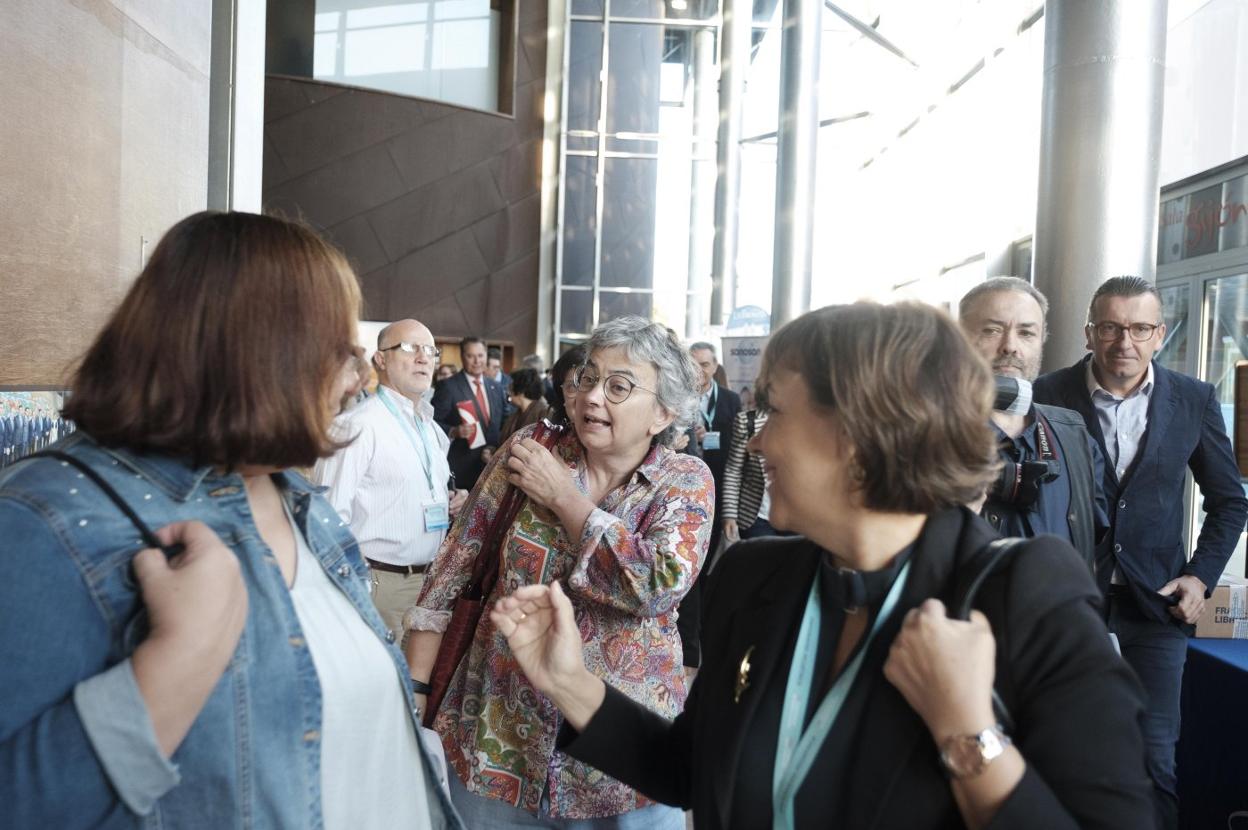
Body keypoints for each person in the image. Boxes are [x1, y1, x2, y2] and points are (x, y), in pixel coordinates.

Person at [492, 302, 1154, 829]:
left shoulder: (1026, 594)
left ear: (862, 435)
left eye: (775, 411)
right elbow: (689, 771)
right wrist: (568, 681)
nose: (758, 441)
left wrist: (969, 735)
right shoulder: (754, 579)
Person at [0, 211, 459, 829]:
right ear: (254, 352)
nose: (357, 376)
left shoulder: (300, 503)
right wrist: (176, 662)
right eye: (339, 349)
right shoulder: (56, 518)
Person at [405, 317, 713, 827]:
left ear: (661, 412)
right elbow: (453, 567)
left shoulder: (684, 481)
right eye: (588, 378)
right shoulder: (533, 451)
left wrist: (564, 500)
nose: (593, 397)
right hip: (494, 733)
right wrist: (417, 689)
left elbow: (656, 585)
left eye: (619, 387)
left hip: (622, 760)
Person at [1033, 275, 1248, 829]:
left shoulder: (1193, 399)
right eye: (1110, 326)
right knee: (1060, 753)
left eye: (1139, 327)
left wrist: (1199, 578)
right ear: (1089, 333)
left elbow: (1229, 503)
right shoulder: (1045, 396)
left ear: (1160, 334)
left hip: (1157, 610)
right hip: (1066, 607)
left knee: (1155, 758)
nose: (1123, 340)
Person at [314, 319, 470, 644]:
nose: (424, 358)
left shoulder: (432, 430)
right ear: (380, 359)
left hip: (430, 585)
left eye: (430, 350)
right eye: (410, 348)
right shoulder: (355, 427)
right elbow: (326, 523)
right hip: (378, 585)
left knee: (414, 692)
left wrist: (453, 500)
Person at [957, 277, 1109, 570]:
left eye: (1026, 333)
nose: (1010, 346)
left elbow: (1090, 537)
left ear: (1041, 342)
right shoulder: (929, 435)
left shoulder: (1073, 436)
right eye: (992, 330)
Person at [432, 336, 507, 490]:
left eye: (480, 356)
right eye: (470, 356)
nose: (476, 361)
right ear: (462, 357)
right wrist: (453, 431)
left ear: (486, 356)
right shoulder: (448, 386)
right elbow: (430, 423)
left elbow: (503, 423)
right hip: (461, 472)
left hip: (491, 472)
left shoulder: (496, 388)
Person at [721, 407, 782, 541]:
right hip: (756, 516)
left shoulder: (805, 420)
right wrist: (729, 514)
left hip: (796, 517)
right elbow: (734, 469)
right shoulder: (747, 420)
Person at [499, 367, 551, 444]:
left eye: (511, 387)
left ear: (520, 390)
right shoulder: (515, 414)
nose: (508, 392)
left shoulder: (545, 414)